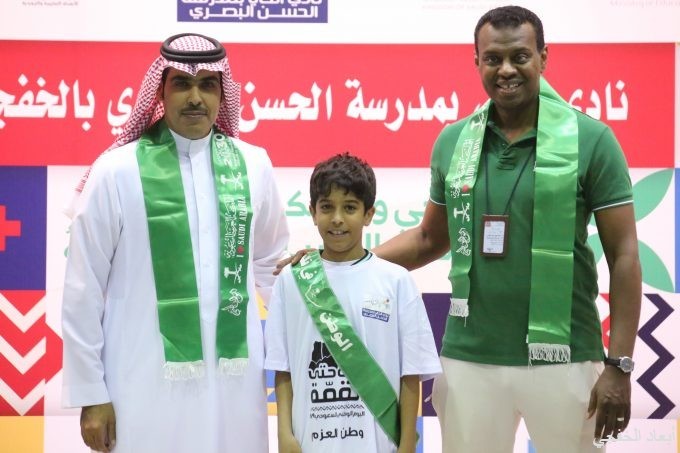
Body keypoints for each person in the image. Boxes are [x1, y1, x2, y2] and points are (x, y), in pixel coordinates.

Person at [368, 5, 643, 452]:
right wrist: (345, 263)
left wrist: (620, 364)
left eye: (520, 56)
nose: (507, 70)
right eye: (493, 59)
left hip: (564, 356)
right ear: (477, 61)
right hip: (470, 358)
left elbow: (625, 254)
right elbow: (429, 239)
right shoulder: (454, 141)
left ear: (543, 57)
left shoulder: (591, 139)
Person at [61, 33, 289, 453]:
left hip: (233, 387)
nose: (195, 98)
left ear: (223, 93)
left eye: (208, 84)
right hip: (141, 382)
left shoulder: (253, 164)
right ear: (161, 91)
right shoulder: (117, 170)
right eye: (182, 83)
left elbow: (272, 266)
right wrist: (92, 392)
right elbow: (83, 286)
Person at [264, 152, 441, 453]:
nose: (337, 219)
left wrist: (408, 443)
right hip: (310, 444)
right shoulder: (291, 281)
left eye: (349, 208)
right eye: (326, 207)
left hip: (379, 444)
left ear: (369, 214)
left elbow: (411, 372)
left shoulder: (397, 281)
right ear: (312, 212)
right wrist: (284, 435)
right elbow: (282, 369)